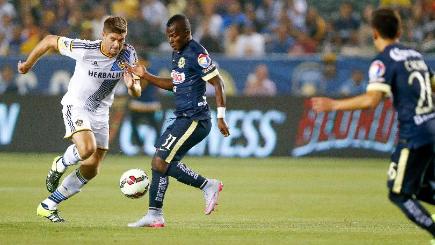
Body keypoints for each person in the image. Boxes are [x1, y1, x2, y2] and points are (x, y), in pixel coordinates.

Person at [311, 8, 435, 241]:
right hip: (431, 127)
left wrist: (334, 105)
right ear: (399, 30)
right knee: (422, 187)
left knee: (399, 194)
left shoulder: (383, 61)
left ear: (374, 32)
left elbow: (371, 101)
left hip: (414, 135)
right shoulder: (415, 55)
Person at [17, 16, 141, 223]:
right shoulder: (85, 49)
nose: (117, 44)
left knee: (92, 168)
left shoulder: (128, 54)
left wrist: (132, 86)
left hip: (101, 112)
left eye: (121, 39)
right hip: (77, 105)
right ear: (102, 35)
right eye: (113, 39)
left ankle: (48, 205)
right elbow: (49, 40)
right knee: (86, 150)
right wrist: (28, 65)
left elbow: (136, 91)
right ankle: (61, 162)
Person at [125, 14, 230, 228]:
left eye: (174, 35)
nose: (171, 39)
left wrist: (221, 117)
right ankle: (155, 214)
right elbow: (175, 84)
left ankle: (207, 185)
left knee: (161, 162)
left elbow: (218, 83)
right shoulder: (177, 53)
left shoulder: (197, 52)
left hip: (196, 119)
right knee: (159, 162)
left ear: (186, 33)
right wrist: (145, 75)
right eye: (168, 36)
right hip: (182, 117)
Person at [128, 53, 161, 148]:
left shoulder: (144, 72)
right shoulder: (153, 71)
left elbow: (141, 87)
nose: (138, 62)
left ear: (145, 61)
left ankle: (140, 143)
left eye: (140, 60)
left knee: (134, 124)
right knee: (155, 126)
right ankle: (159, 144)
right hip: (151, 103)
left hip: (140, 104)